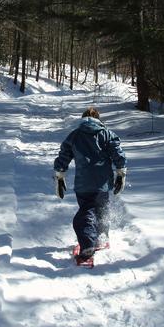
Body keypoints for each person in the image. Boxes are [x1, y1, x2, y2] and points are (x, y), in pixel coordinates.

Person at [54, 106, 127, 262]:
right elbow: (118, 153)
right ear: (99, 119)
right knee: (101, 210)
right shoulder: (107, 134)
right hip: (103, 184)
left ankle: (88, 244)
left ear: (83, 118)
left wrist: (60, 176)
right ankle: (101, 237)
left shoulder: (74, 136)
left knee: (86, 213)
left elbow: (64, 156)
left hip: (83, 184)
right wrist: (121, 173)